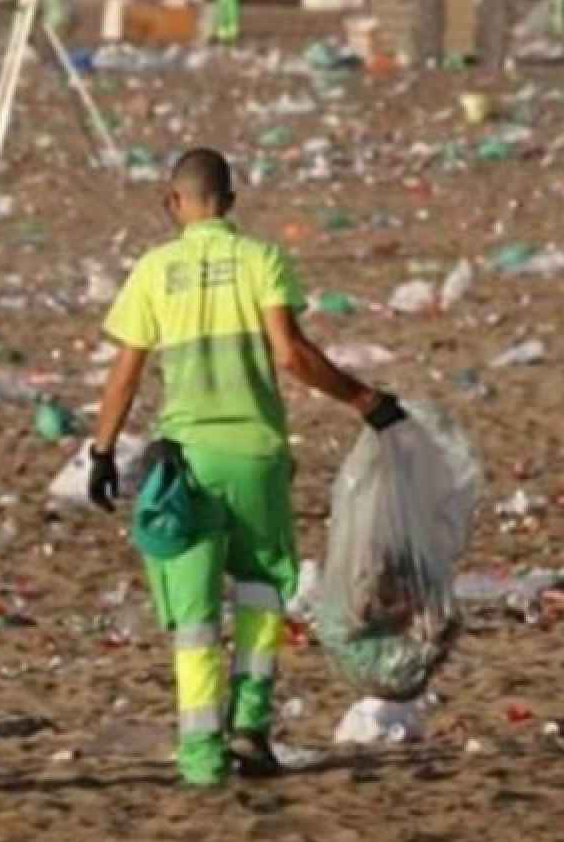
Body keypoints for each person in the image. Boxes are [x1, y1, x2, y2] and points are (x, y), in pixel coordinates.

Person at [86, 149, 406, 787]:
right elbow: (291, 355)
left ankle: (201, 754)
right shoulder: (262, 259)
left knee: (196, 610)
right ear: (229, 201)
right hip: (256, 456)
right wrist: (364, 401)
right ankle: (252, 727)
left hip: (186, 461)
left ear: (172, 202)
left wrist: (101, 450)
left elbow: (125, 373)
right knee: (261, 591)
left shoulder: (153, 269)